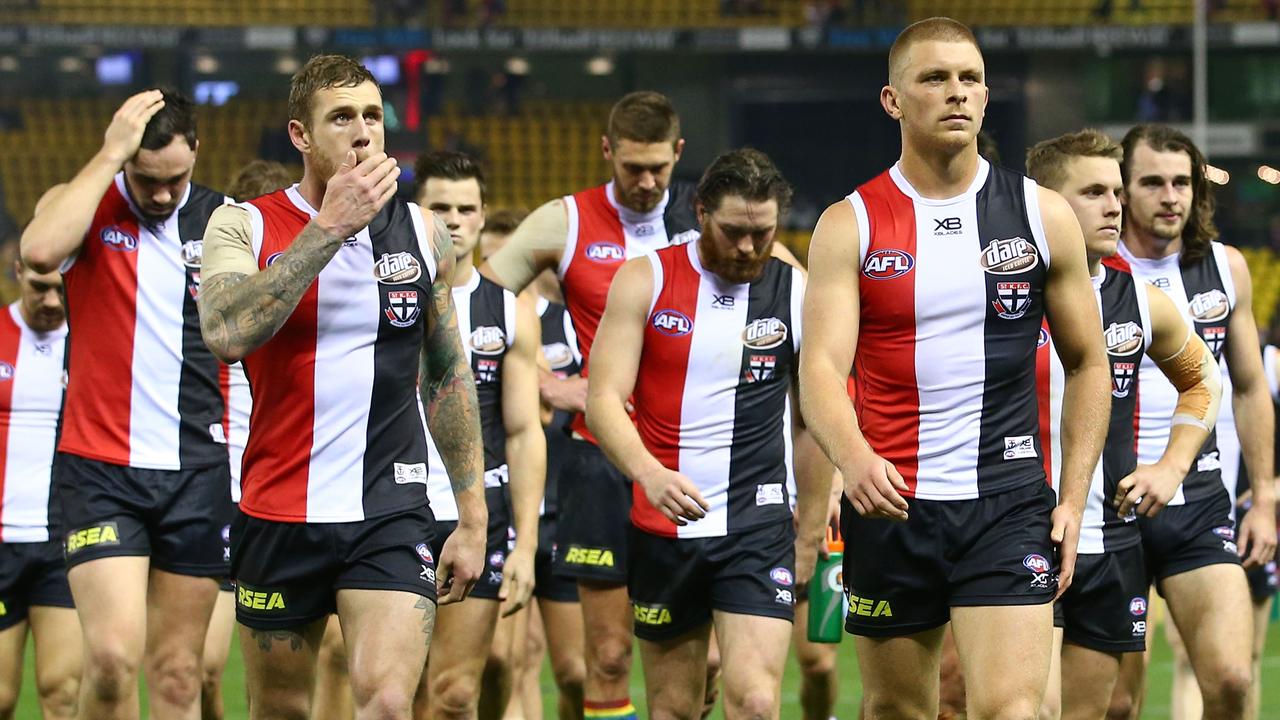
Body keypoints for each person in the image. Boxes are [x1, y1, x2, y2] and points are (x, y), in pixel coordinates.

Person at [799, 17, 1111, 720]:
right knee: (895, 709)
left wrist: (1073, 495)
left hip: (1007, 501)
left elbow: (1090, 363)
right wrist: (852, 459)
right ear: (892, 100)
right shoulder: (850, 224)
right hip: (891, 503)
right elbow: (819, 369)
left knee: (1011, 710)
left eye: (969, 78)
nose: (956, 93)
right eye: (934, 79)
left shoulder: (1042, 215)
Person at [197, 54, 486, 719]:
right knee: (282, 711)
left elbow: (445, 373)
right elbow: (227, 331)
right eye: (341, 118)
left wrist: (471, 516)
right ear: (300, 135)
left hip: (390, 509)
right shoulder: (241, 223)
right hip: (279, 510)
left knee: (387, 702)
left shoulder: (422, 232)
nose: (362, 132)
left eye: (372, 116)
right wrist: (328, 227)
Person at [587, 148, 830, 720]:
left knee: (755, 701)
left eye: (763, 233)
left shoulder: (795, 291)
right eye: (733, 232)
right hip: (664, 527)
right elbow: (602, 401)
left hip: (758, 524)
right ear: (699, 212)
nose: (748, 247)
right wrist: (648, 473)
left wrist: (809, 533)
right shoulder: (645, 278)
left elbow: (816, 419)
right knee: (673, 707)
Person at [479, 91, 699, 720]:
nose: (647, 180)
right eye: (632, 166)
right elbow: (483, 304)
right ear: (607, 151)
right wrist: (545, 383)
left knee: (703, 663)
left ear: (678, 152)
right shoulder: (566, 221)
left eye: (659, 166)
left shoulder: (707, 214)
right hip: (600, 462)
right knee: (603, 657)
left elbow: (783, 282)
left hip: (696, 458)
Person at [20, 88, 233, 720]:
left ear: (198, 151)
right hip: (100, 469)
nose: (162, 195)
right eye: (147, 180)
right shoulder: (87, 206)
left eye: (176, 179)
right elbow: (39, 252)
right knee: (111, 662)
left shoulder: (226, 220)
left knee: (176, 675)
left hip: (197, 469)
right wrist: (111, 154)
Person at [1026, 128, 1224, 720]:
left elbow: (1203, 381)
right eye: (1093, 192)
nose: (1114, 206)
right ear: (1047, 204)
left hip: (1110, 539)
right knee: (1027, 710)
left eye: (1116, 191)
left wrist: (1172, 466)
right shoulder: (999, 295)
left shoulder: (1137, 301)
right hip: (1020, 532)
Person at [1108, 124, 1276, 720]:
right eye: (1152, 182)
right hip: (1113, 506)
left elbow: (1251, 388)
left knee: (1232, 680)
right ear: (1122, 192)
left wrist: (1263, 499)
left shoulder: (1226, 269)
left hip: (1200, 500)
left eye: (1182, 182)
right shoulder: (1092, 271)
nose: (1171, 196)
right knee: (1118, 704)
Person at [412, 151, 545, 720]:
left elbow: (521, 431)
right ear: (417, 212)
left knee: (454, 693)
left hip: (477, 513)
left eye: (467, 208)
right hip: (395, 508)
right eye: (440, 206)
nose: (454, 220)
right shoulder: (386, 296)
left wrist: (527, 545)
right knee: (394, 688)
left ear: (483, 215)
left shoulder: (510, 311)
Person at [482, 208, 588, 720]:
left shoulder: (568, 318)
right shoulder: (487, 327)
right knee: (509, 656)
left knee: (575, 671)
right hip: (510, 504)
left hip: (570, 507)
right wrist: (549, 385)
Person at [199, 158, 294, 720]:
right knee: (207, 669)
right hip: (216, 489)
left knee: (292, 679)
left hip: (282, 492)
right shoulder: (210, 318)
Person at [0, 260, 77, 720]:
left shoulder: (92, 340)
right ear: (17, 273)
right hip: (1, 542)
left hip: (63, 542)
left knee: (63, 692)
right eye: (39, 288)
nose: (51, 301)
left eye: (60, 290)